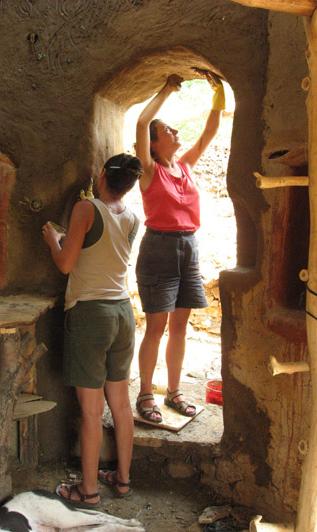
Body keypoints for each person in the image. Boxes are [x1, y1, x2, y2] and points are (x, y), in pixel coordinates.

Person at [42, 153, 143, 508]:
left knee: (90, 410)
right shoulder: (133, 217)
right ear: (130, 185)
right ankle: (122, 480)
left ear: (102, 176)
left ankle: (88, 491)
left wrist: (53, 239)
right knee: (121, 404)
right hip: (122, 313)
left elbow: (65, 263)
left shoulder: (86, 209)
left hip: (90, 315)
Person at [135, 72, 225, 424]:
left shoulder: (184, 167)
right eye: (166, 130)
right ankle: (146, 393)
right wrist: (168, 89)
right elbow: (142, 122)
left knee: (180, 328)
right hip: (159, 249)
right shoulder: (148, 170)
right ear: (154, 145)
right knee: (156, 328)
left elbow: (209, 133)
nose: (174, 131)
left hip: (189, 248)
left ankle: (174, 392)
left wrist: (218, 92)